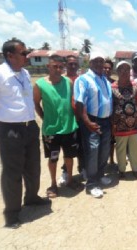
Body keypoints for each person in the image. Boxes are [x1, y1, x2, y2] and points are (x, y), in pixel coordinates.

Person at [0, 39, 50, 228]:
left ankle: (32, 197)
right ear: (10, 55)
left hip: (29, 126)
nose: (27, 56)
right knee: (12, 172)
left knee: (33, 166)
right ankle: (12, 213)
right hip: (10, 129)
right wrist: (2, 115)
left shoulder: (25, 73)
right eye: (23, 53)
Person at [33, 54, 83, 198]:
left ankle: (70, 180)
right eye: (55, 66)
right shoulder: (40, 84)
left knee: (69, 156)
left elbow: (73, 101)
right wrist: (44, 117)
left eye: (61, 67)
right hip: (51, 129)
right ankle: (53, 184)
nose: (58, 69)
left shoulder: (68, 82)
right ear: (48, 66)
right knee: (53, 158)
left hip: (69, 127)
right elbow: (36, 103)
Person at [74, 52, 113, 198]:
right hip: (91, 121)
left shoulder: (105, 80)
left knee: (104, 150)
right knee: (93, 152)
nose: (99, 64)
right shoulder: (83, 79)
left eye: (101, 61)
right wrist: (88, 122)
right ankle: (91, 184)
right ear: (90, 63)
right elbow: (80, 103)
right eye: (96, 61)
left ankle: (100, 175)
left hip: (106, 121)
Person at [111, 61, 137, 179]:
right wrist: (113, 123)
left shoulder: (135, 85)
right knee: (120, 148)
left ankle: (136, 169)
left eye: (126, 69)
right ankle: (121, 170)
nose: (124, 72)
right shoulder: (113, 87)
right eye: (121, 69)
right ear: (117, 71)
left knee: (135, 148)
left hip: (134, 123)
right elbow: (111, 106)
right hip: (119, 124)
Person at [59, 55, 85, 184]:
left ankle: (83, 168)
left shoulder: (81, 79)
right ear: (66, 65)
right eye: (70, 64)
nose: (73, 66)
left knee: (82, 145)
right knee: (67, 147)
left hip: (81, 118)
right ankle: (65, 171)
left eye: (75, 64)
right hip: (68, 119)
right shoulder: (62, 80)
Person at [103, 58, 117, 169]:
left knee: (112, 140)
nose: (107, 70)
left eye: (109, 68)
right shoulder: (97, 81)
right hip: (100, 116)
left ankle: (112, 160)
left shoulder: (114, 83)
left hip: (112, 116)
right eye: (105, 68)